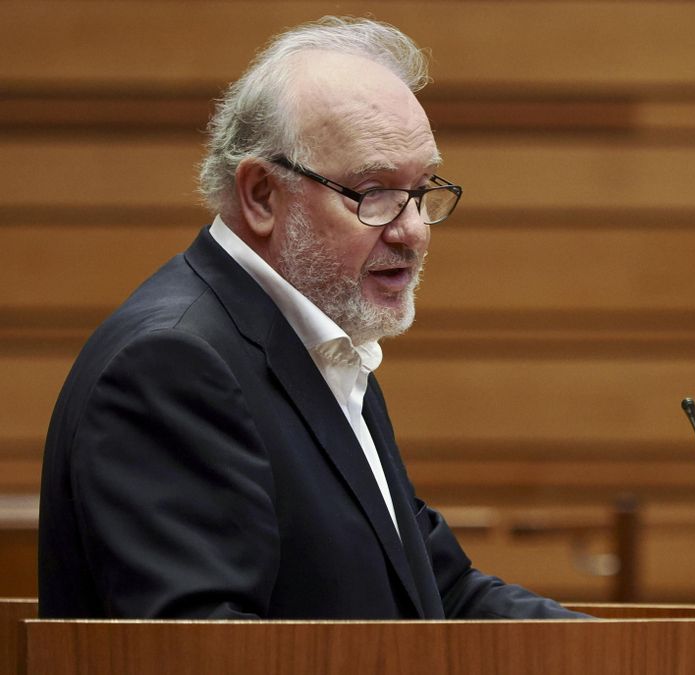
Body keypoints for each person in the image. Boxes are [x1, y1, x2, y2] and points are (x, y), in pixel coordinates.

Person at [38, 16, 586, 620]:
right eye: (373, 192)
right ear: (262, 196)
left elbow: (439, 593)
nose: (412, 230)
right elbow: (199, 649)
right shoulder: (173, 365)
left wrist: (625, 657)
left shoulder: (321, 344)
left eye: (423, 189)